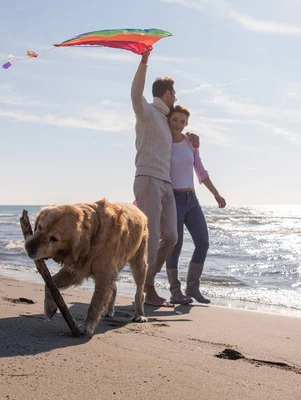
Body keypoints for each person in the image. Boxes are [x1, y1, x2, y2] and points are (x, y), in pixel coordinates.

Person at [130, 50, 199, 307]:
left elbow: (180, 137)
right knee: (152, 234)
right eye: (174, 94)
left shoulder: (168, 122)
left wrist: (192, 138)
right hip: (147, 179)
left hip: (166, 184)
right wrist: (144, 61)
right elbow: (135, 94)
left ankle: (147, 279)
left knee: (171, 236)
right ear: (167, 94)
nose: (176, 98)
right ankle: (147, 288)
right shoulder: (146, 112)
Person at [165, 105, 226, 305]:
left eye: (183, 121)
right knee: (175, 245)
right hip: (172, 200)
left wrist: (216, 193)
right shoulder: (163, 142)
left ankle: (193, 287)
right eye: (175, 119)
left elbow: (200, 171)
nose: (178, 124)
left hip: (191, 200)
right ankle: (175, 291)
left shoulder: (190, 143)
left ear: (187, 124)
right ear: (169, 119)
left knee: (203, 242)